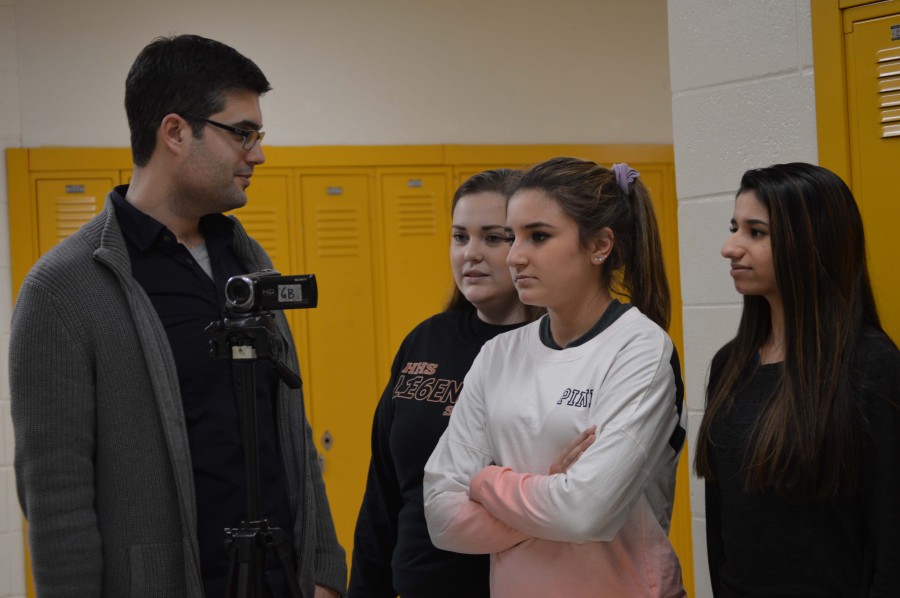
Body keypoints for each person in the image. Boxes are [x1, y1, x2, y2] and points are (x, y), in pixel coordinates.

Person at [11, 34, 346, 597]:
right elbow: (56, 497)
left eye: (257, 135)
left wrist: (324, 570)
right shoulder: (64, 288)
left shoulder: (246, 262)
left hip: (282, 581)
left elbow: (289, 429)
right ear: (174, 132)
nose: (257, 153)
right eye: (242, 132)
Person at [423, 156, 687, 597]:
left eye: (538, 236)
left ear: (599, 245)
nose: (514, 256)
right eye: (512, 237)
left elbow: (587, 513)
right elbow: (441, 518)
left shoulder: (639, 347)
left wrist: (487, 482)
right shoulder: (498, 354)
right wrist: (551, 490)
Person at [694, 162, 900, 596]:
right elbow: (722, 525)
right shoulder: (729, 364)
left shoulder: (870, 365)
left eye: (756, 232)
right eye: (735, 227)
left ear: (811, 243)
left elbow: (891, 535)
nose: (730, 247)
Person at [348, 169, 543, 597]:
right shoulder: (425, 340)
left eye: (493, 238)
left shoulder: (558, 350)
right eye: (460, 237)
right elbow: (383, 493)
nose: (470, 254)